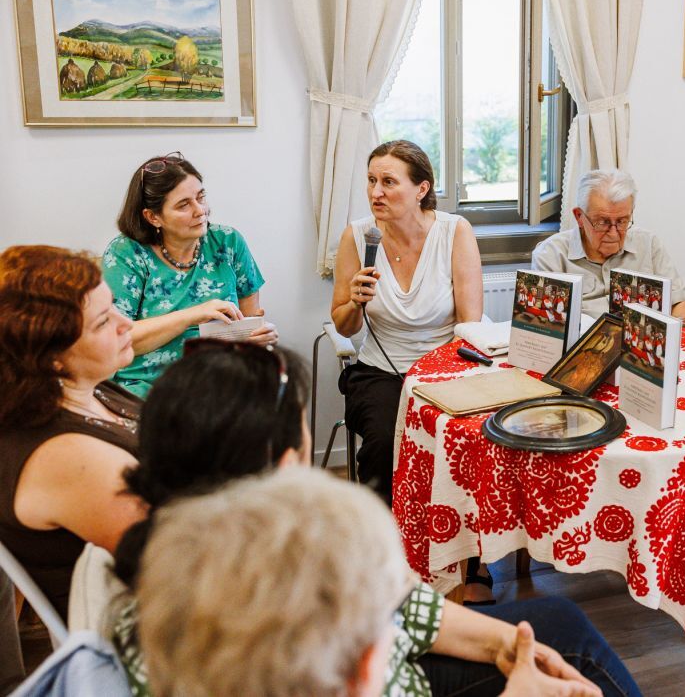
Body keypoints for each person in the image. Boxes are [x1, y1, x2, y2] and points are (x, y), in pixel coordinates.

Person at [109, 343, 640, 697]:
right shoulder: (291, 604)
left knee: (560, 630)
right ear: (285, 462)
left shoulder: (159, 577)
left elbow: (403, 606)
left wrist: (508, 647)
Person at [332, 140, 483, 506]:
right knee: (384, 445)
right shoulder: (358, 235)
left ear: (421, 189)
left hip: (445, 369)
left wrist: (448, 377)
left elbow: (470, 321)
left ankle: (457, 546)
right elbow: (344, 326)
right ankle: (381, 542)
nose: (375, 192)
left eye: (388, 182)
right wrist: (354, 301)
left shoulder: (454, 231)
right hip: (380, 371)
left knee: (464, 443)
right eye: (370, 181)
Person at [0, 246, 144, 619]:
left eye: (114, 306)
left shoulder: (87, 388)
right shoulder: (64, 456)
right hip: (149, 632)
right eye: (101, 322)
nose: (125, 322)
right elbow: (174, 562)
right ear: (51, 357)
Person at [102, 152, 275, 398]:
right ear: (153, 217)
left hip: (222, 380)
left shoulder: (228, 242)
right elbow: (115, 340)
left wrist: (261, 336)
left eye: (200, 197)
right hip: (149, 386)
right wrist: (192, 315)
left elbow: (248, 323)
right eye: (184, 204)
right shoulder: (126, 254)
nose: (200, 210)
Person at [532, 170, 685, 326]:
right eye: (602, 222)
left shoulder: (648, 244)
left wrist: (667, 326)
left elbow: (684, 305)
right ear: (579, 217)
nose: (613, 233)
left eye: (622, 221)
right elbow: (545, 327)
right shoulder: (550, 255)